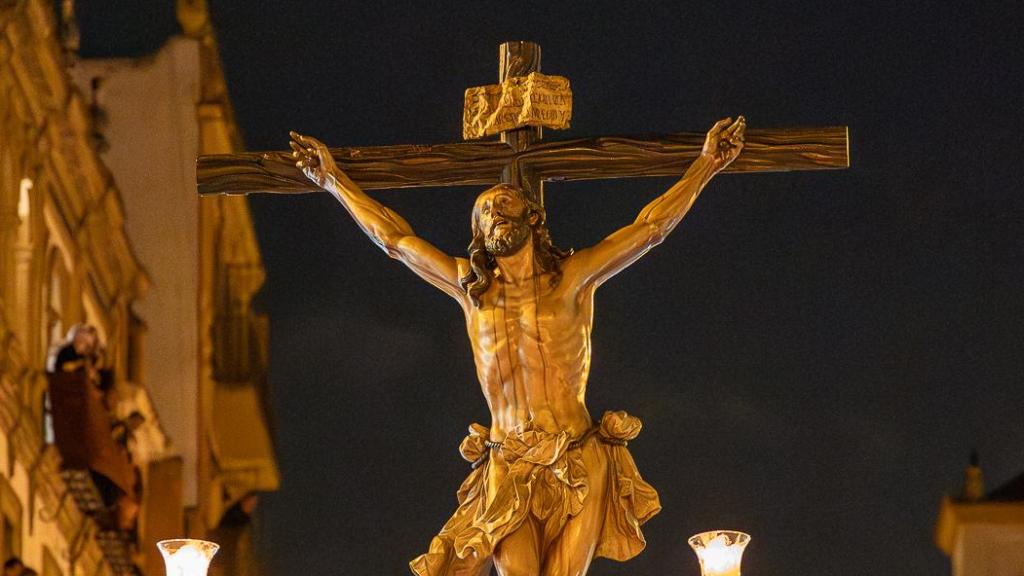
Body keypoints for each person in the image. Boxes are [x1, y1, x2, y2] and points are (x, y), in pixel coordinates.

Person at [290, 116, 746, 576]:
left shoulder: (572, 279)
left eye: (504, 204)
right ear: (479, 235)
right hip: (507, 463)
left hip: (579, 456)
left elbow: (650, 228)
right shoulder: (471, 291)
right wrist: (332, 180)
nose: (494, 215)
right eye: (484, 212)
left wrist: (705, 165)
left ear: (532, 216)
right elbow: (394, 240)